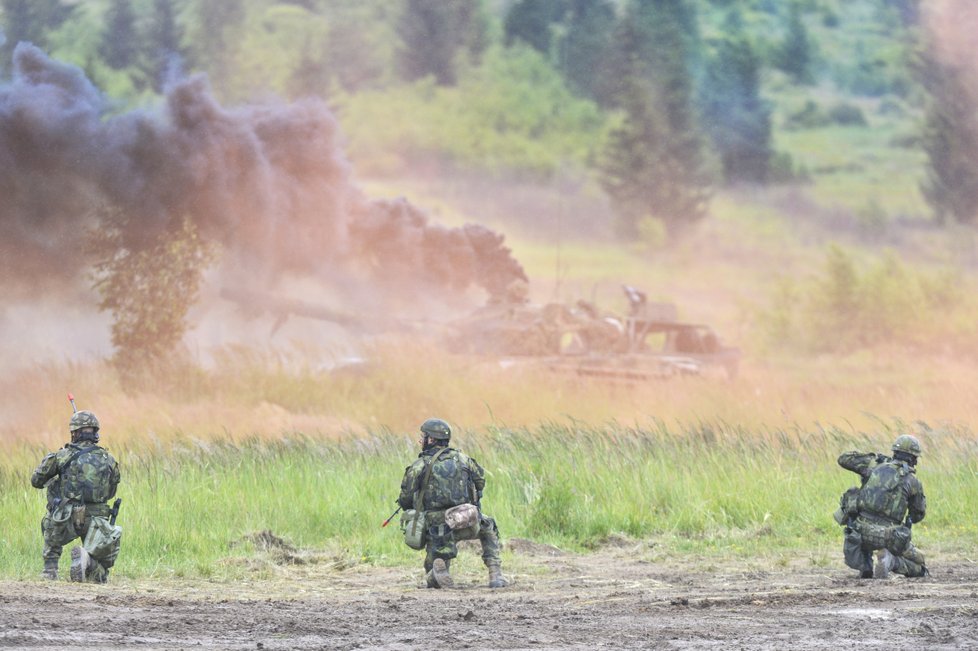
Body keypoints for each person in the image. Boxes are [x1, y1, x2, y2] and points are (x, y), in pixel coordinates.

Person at [398, 418, 508, 589]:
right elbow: (480, 483)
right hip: (465, 521)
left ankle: (435, 574)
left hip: (435, 528)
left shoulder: (419, 465)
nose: (421, 440)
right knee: (489, 526)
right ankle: (495, 575)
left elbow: (405, 499)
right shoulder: (464, 459)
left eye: (424, 436)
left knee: (435, 550)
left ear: (431, 440)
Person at [31, 410, 122, 583]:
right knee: (100, 576)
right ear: (96, 432)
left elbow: (36, 481)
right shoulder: (108, 459)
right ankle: (89, 563)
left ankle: (50, 570)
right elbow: (111, 492)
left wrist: (56, 479)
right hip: (97, 519)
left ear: (74, 433)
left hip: (65, 518)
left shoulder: (62, 456)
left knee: (51, 523)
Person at [837, 434, 927, 579]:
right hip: (890, 538)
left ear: (894, 453)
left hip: (860, 532)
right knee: (920, 566)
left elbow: (843, 458)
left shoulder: (873, 466)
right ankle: (891, 562)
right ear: (913, 459)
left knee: (857, 514)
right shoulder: (913, 482)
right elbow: (917, 516)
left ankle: (864, 565)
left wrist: (875, 458)